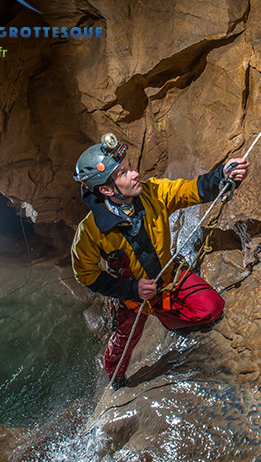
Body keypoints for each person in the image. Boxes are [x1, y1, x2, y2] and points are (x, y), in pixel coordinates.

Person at [71, 134, 248, 388]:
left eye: (130, 166)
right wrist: (131, 289)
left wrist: (222, 176)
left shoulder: (153, 193)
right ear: (106, 189)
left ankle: (168, 317)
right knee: (123, 341)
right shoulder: (90, 232)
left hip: (167, 278)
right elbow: (85, 275)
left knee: (212, 308)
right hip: (131, 298)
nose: (134, 173)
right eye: (124, 173)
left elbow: (189, 190)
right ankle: (115, 378)